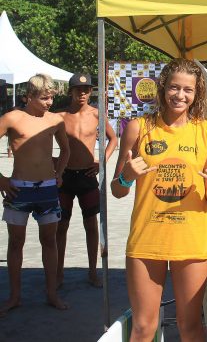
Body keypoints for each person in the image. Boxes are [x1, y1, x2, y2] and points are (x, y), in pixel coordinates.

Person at [110, 59, 207, 341]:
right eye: (174, 87)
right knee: (142, 327)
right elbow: (117, 189)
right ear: (163, 88)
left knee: (190, 327)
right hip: (146, 239)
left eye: (188, 90)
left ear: (197, 93)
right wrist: (126, 176)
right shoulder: (138, 128)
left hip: (192, 240)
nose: (180, 95)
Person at [0, 74, 70, 316]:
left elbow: (66, 150)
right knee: (16, 242)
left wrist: (59, 173)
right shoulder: (12, 118)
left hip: (48, 188)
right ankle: (14, 297)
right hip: (19, 188)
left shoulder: (55, 120)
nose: (49, 102)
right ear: (28, 97)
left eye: (51, 97)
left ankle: (52, 293)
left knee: (49, 241)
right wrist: (2, 179)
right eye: (44, 98)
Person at [56, 73, 118, 288]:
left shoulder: (96, 114)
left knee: (91, 226)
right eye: (77, 90)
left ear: (91, 91)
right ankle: (58, 273)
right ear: (70, 91)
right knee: (60, 226)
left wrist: (102, 161)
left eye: (86, 90)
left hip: (87, 176)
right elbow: (42, 142)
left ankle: (93, 272)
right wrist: (53, 162)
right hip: (64, 177)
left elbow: (113, 139)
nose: (82, 93)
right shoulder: (59, 116)